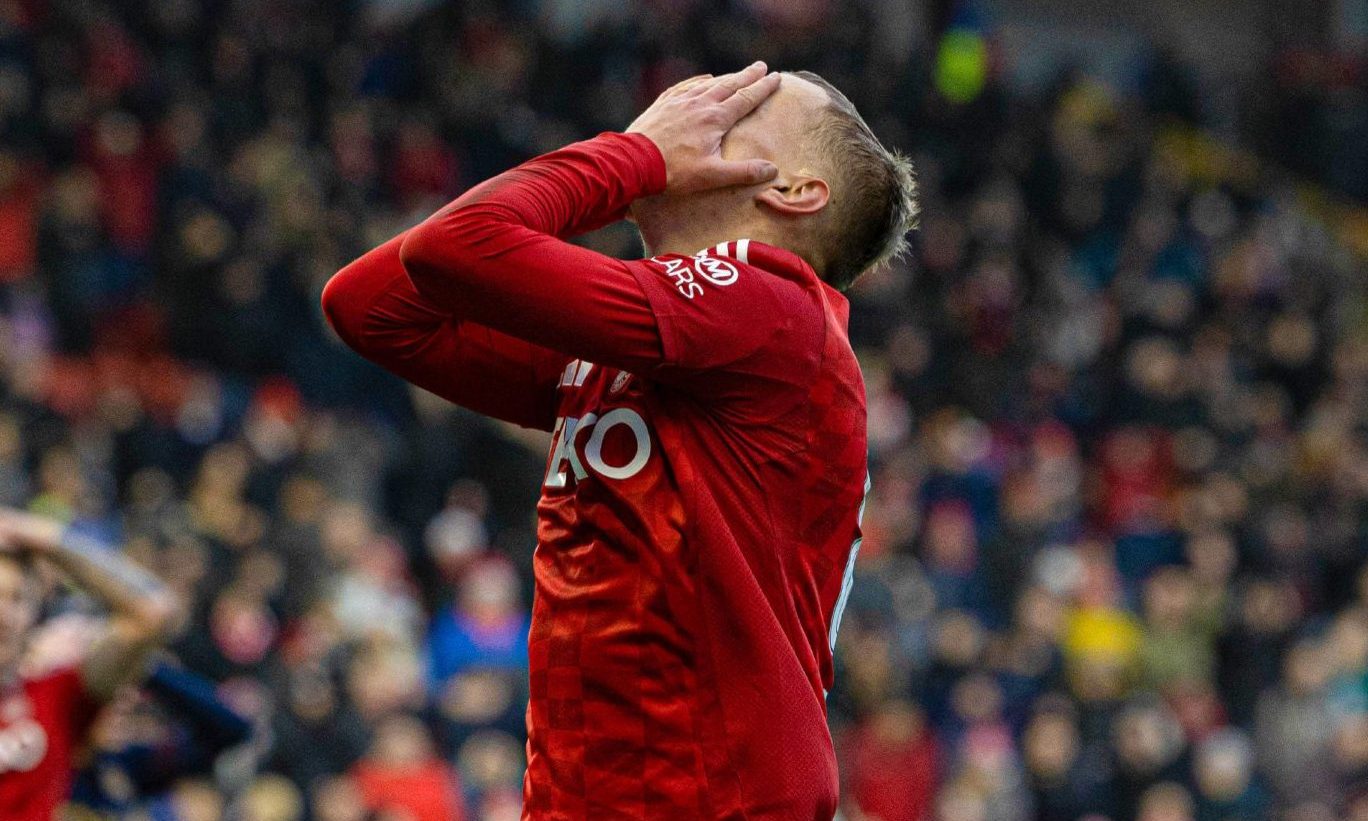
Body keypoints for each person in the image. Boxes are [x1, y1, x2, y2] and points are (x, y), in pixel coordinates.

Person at [323, 62, 917, 818]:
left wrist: (629, 156)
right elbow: (371, 305)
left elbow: (457, 246)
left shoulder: (775, 304)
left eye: (727, 114)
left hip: (708, 798)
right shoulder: (662, 337)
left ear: (794, 191)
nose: (683, 114)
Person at [0, 508, 180, 819]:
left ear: (36, 613)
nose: (2, 615)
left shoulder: (55, 696)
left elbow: (153, 610)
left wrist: (37, 534)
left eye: (16, 599)